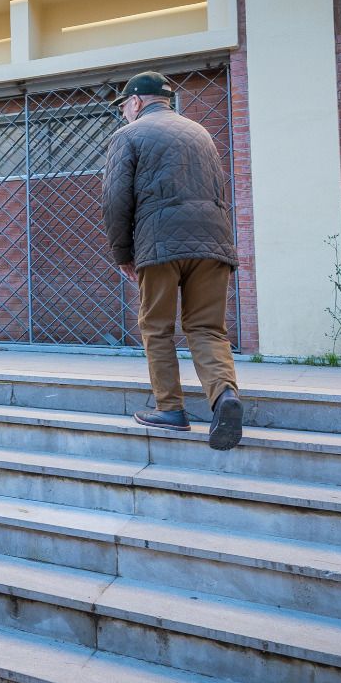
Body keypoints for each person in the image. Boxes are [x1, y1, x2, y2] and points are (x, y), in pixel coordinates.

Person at [101, 71, 243, 451]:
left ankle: (171, 409)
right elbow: (219, 188)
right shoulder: (200, 133)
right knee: (208, 328)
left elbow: (116, 201)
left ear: (135, 103)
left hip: (159, 242)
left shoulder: (127, 136)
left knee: (157, 326)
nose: (125, 114)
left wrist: (123, 254)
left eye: (125, 107)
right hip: (213, 241)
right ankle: (224, 396)